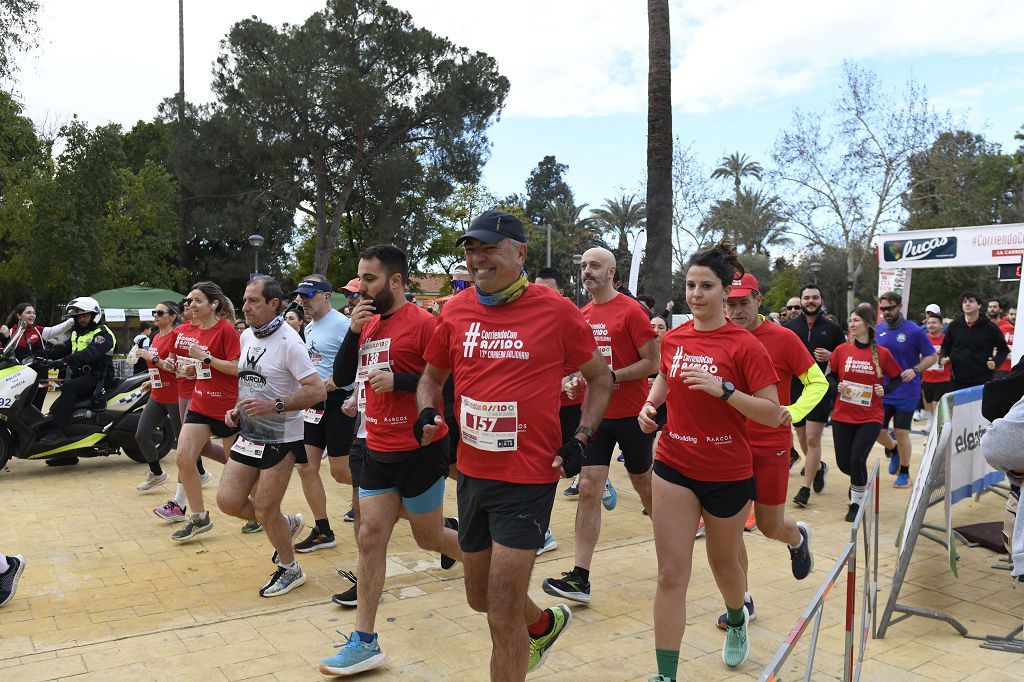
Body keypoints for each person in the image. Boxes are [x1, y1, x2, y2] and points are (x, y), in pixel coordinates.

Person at [413, 209, 612, 680]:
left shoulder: (557, 311)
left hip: (529, 475)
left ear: (520, 253)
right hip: (471, 472)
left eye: (489, 248)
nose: (478, 259)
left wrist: (581, 437)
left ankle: (522, 640)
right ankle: (542, 624)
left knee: (501, 610)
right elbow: (431, 375)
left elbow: (600, 379)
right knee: (479, 598)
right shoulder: (456, 309)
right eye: (471, 249)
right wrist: (429, 410)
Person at [638, 240, 782, 679]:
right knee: (670, 574)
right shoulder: (675, 338)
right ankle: (666, 675)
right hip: (674, 464)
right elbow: (665, 374)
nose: (696, 294)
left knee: (724, 565)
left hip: (728, 473)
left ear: (725, 293)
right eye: (690, 285)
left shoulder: (745, 346)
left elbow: (773, 412)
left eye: (706, 286)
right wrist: (650, 406)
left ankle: (737, 619)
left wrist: (725, 391)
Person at [318, 245, 462, 676]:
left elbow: (446, 383)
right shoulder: (365, 324)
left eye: (370, 279)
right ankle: (364, 641)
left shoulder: (424, 325)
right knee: (370, 535)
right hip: (377, 446)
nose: (361, 287)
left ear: (396, 282)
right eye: (360, 279)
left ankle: (486, 563)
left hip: (419, 449)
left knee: (429, 538)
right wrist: (350, 332)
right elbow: (342, 378)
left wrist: (399, 380)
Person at [542, 246, 659, 606]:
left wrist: (611, 376)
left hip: (632, 414)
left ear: (611, 273)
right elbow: (583, 365)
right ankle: (581, 577)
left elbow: (653, 363)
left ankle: (675, 539)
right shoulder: (582, 314)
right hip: (597, 418)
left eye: (594, 266)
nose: (586, 271)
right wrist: (575, 379)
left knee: (643, 484)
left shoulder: (631, 311)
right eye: (583, 266)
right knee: (590, 486)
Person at [722, 273, 824, 627]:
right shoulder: (717, 336)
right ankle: (742, 602)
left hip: (770, 445)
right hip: (727, 447)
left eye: (742, 303)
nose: (735, 311)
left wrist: (793, 412)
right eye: (730, 303)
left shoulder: (783, 338)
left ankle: (796, 536)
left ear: (758, 299)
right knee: (729, 529)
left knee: (768, 526)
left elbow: (817, 381)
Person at [217, 277, 326, 596]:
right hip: (249, 434)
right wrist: (239, 408)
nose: (245, 307)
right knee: (228, 501)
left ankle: (290, 569)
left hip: (282, 437)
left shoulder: (290, 342)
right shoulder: (247, 335)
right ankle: (285, 524)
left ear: (273, 304)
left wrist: (276, 405)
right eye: (245, 300)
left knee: (264, 509)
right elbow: (250, 379)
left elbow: (317, 391)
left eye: (253, 301)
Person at [169, 282, 241, 542]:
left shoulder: (227, 330)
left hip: (226, 409)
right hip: (200, 404)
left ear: (213, 305)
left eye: (198, 300)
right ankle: (199, 517)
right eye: (189, 300)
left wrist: (205, 359)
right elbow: (206, 367)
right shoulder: (197, 331)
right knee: (183, 458)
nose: (191, 305)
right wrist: (193, 369)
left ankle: (260, 509)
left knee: (237, 468)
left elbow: (236, 369)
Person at [291, 275, 355, 554]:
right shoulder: (311, 327)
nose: (304, 301)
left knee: (341, 473)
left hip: (340, 403)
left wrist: (340, 383)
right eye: (301, 296)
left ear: (328, 296)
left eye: (310, 295)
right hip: (314, 404)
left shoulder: (344, 325)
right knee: (305, 467)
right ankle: (322, 529)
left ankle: (384, 490)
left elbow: (363, 359)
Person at [830, 304, 903, 522]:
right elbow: (830, 376)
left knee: (856, 459)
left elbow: (896, 377)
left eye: (856, 320)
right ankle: (859, 485)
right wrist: (837, 386)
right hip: (842, 414)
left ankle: (856, 504)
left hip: (870, 416)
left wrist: (885, 389)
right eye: (850, 320)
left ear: (867, 325)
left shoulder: (882, 353)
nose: (851, 324)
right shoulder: (841, 351)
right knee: (845, 463)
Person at [784, 285, 846, 508]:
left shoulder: (833, 329)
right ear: (801, 301)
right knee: (802, 439)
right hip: (795, 390)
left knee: (812, 439)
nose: (811, 301)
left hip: (820, 389)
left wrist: (832, 355)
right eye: (807, 297)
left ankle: (805, 489)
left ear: (821, 300)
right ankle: (818, 467)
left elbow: (844, 358)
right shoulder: (788, 328)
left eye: (815, 297)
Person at [873, 292, 938, 488]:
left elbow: (932, 356)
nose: (886, 312)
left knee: (901, 432)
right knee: (877, 431)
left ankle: (904, 472)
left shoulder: (914, 331)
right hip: (883, 390)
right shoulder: (877, 330)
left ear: (899, 306)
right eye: (883, 309)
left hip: (907, 391)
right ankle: (892, 449)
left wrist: (916, 369)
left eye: (890, 308)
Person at [38, 297, 116, 446]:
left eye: (85, 315)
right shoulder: (77, 333)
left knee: (69, 387)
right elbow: (61, 349)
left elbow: (89, 353)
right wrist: (41, 354)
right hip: (81, 378)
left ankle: (58, 432)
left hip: (99, 378)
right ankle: (66, 453)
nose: (81, 319)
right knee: (57, 407)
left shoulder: (103, 334)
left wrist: (65, 361)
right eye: (78, 316)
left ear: (94, 315)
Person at [134, 301, 184, 492]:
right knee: (141, 434)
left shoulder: (175, 336)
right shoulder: (155, 337)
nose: (155, 315)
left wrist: (150, 357)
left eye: (160, 312)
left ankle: (200, 472)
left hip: (174, 395)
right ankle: (157, 474)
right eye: (154, 311)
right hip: (157, 394)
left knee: (183, 441)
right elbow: (159, 367)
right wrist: (151, 380)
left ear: (172, 317)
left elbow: (171, 366)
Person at [0, 303, 74, 410]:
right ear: (19, 316)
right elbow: (5, 355)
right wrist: (6, 338)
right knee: (18, 409)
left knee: (37, 408)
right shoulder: (9, 332)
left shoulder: (39, 331)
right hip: (19, 379)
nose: (32, 315)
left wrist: (72, 320)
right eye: (29, 312)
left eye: (34, 313)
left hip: (41, 376)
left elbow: (57, 329)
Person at [940, 291, 1010, 390]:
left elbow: (1003, 349)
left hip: (982, 380)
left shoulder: (990, 327)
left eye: (971, 301)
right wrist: (943, 357)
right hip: (957, 380)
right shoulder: (954, 326)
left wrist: (995, 362)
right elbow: (945, 346)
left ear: (979, 305)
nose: (967, 304)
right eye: (964, 302)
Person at [921, 312, 952, 431]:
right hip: (927, 376)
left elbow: (953, 353)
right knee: (927, 402)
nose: (930, 325)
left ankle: (936, 426)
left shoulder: (946, 339)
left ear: (941, 325)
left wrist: (947, 358)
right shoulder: (924, 339)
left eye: (934, 323)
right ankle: (930, 421)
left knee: (936, 404)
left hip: (943, 378)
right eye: (928, 323)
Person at [996, 306, 1016, 380]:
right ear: (1008, 315)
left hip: (1019, 369)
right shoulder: (1001, 329)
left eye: (1016, 314)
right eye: (1011, 314)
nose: (1014, 316)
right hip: (1001, 369)